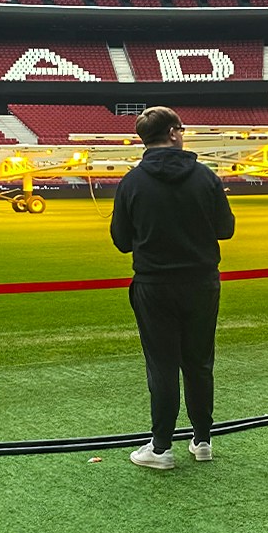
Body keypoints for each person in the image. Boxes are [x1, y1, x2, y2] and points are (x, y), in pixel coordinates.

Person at [110, 107, 236, 470]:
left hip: (155, 284)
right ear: (174, 132)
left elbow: (120, 240)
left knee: (162, 366)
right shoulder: (206, 177)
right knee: (199, 362)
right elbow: (225, 229)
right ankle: (202, 440)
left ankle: (162, 448)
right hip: (201, 282)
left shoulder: (132, 183)